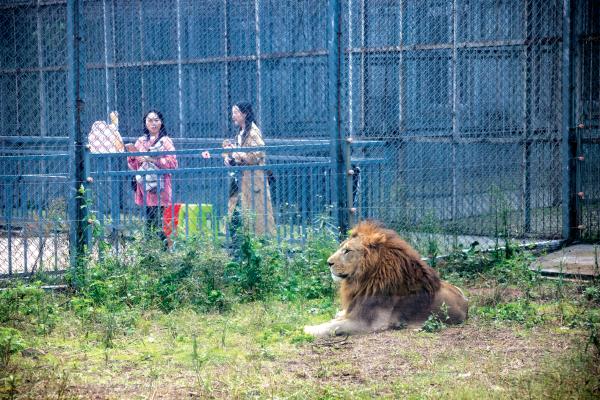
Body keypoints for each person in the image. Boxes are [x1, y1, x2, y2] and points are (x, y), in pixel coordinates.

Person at [223, 102, 275, 237]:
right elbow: (240, 156)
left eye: (236, 112)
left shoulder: (252, 131)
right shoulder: (240, 132)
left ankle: (257, 245)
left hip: (253, 181)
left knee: (256, 216)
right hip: (241, 180)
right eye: (233, 112)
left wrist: (238, 154)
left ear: (244, 114)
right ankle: (239, 247)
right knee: (236, 214)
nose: (233, 116)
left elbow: (258, 153)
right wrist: (230, 158)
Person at [127, 110, 178, 243]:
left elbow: (173, 163)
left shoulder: (166, 141)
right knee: (149, 220)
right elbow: (132, 164)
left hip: (160, 188)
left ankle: (162, 247)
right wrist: (135, 156)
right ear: (145, 123)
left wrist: (153, 160)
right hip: (145, 187)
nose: (153, 123)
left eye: (156, 120)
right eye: (150, 120)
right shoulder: (141, 141)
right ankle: (153, 249)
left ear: (161, 122)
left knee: (157, 221)